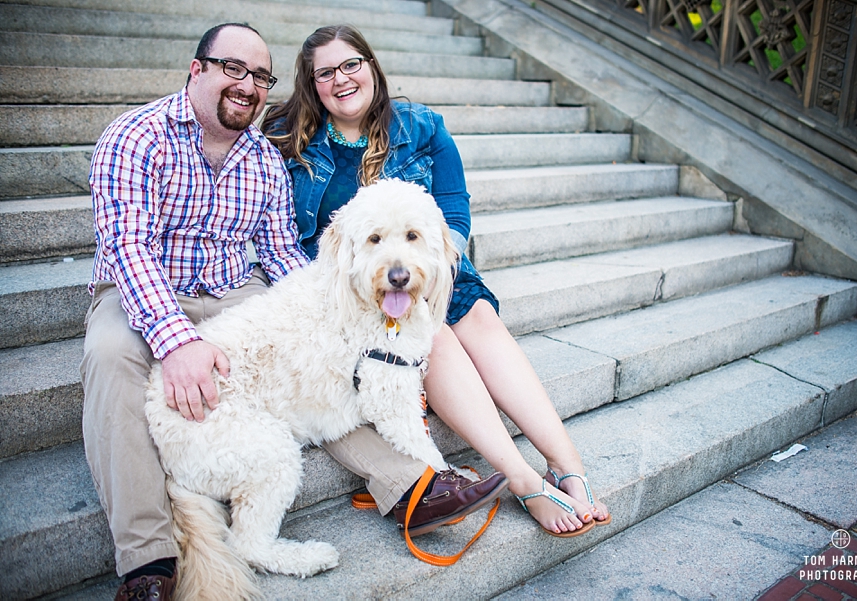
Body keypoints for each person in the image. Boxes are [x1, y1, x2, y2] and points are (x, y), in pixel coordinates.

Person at [82, 22, 507, 600]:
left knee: (321, 352)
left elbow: (282, 248)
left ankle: (413, 485)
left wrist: (344, 306)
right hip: (143, 290)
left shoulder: (262, 157)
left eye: (260, 77)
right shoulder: (136, 136)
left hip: (234, 289)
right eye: (233, 69)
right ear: (196, 68)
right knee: (110, 356)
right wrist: (177, 341)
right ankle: (147, 562)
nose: (248, 86)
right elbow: (128, 250)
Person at [262, 24, 612, 539]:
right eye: (325, 73)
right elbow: (287, 235)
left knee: (479, 318)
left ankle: (568, 466)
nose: (341, 79)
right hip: (356, 286)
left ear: (371, 66)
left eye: (351, 64)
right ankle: (524, 481)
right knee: (433, 335)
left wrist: (435, 273)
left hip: (432, 267)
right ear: (311, 84)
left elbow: (454, 213)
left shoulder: (422, 126)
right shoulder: (289, 140)